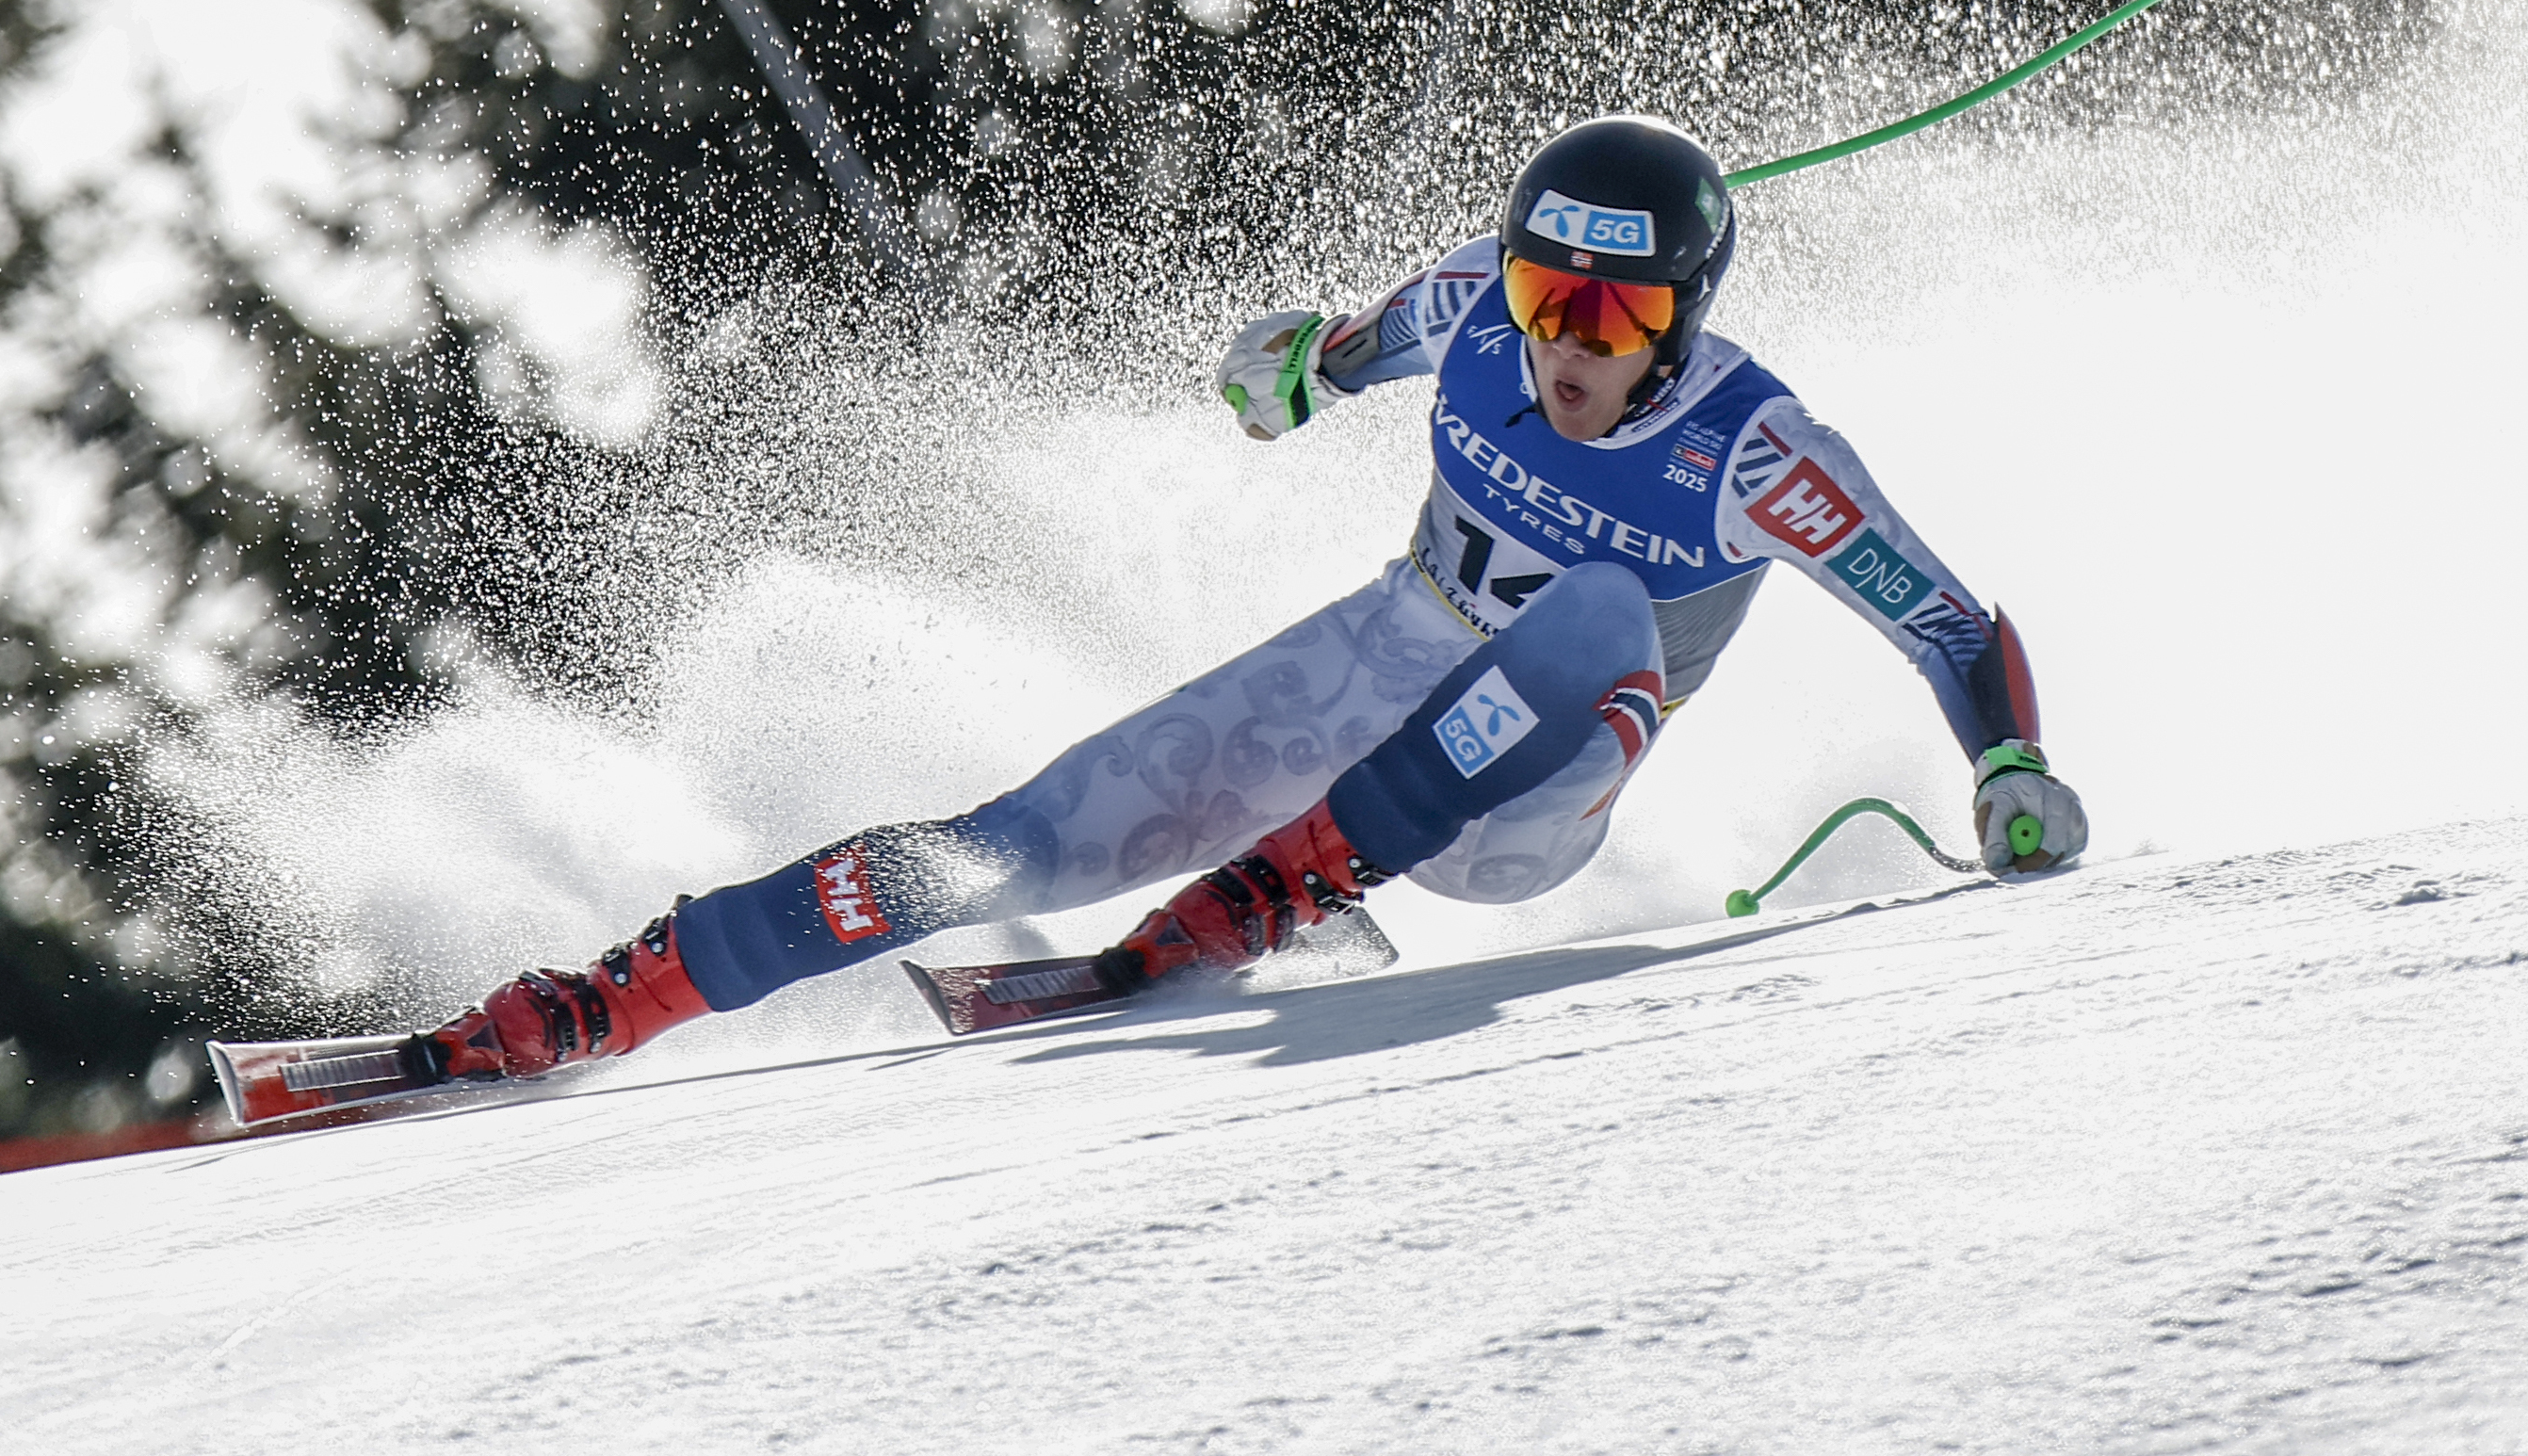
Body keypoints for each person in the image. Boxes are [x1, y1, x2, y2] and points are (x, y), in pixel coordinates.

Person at [426, 116, 2089, 1080]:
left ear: (1686, 311)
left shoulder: (1760, 452)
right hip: (1384, 657)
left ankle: (1283, 892)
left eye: (1619, 313)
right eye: (1542, 292)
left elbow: (1953, 624)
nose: (1569, 340)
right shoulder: (1467, 310)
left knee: (1592, 607)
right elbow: (1335, 357)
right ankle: (611, 995)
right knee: (1015, 841)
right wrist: (1284, 372)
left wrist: (2008, 765)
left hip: (1542, 787)